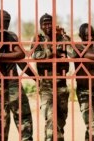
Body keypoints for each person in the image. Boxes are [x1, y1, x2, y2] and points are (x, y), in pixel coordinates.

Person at [31, 13, 70, 141]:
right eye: (44, 23)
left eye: (49, 23)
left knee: (60, 120)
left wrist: (64, 37)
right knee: (50, 118)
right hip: (47, 86)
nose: (47, 26)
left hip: (61, 85)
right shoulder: (38, 39)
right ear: (41, 26)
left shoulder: (62, 38)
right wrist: (54, 53)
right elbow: (35, 55)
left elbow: (73, 52)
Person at [0, 10, 33, 141]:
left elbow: (20, 60)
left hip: (0, 83)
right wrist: (35, 77)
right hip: (9, 83)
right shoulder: (11, 35)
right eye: (3, 20)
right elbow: (21, 61)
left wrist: (34, 76)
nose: (5, 23)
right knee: (22, 120)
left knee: (2, 123)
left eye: (7, 21)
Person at [67, 23, 94, 141]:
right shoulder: (78, 47)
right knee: (92, 127)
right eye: (86, 36)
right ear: (80, 36)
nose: (89, 38)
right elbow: (83, 54)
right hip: (85, 92)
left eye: (91, 35)